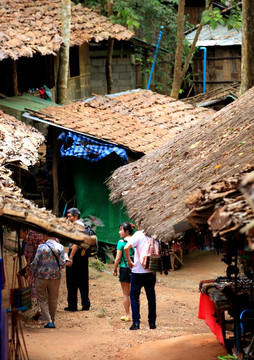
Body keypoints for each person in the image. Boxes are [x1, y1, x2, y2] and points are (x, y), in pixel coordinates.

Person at [124, 222, 157, 330]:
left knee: (134, 296)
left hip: (137, 271)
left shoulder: (138, 235)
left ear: (139, 222)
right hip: (151, 271)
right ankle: (152, 323)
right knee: (151, 297)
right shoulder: (154, 235)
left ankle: (136, 323)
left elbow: (126, 247)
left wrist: (129, 261)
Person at [65, 207, 97, 312]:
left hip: (75, 254)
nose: (68, 218)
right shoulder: (82, 225)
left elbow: (75, 243)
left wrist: (70, 257)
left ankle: (72, 305)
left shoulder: (77, 226)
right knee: (83, 279)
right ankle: (85, 304)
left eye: (70, 216)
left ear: (76, 216)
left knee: (71, 280)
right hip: (83, 254)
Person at [30, 234, 65, 328]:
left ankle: (48, 320)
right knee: (53, 299)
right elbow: (62, 263)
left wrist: (31, 268)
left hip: (41, 276)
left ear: (46, 236)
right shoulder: (60, 247)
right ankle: (52, 321)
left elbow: (35, 261)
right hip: (55, 277)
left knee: (42, 299)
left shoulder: (41, 247)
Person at [113, 222, 135, 322]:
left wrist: (114, 269)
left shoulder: (121, 242)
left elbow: (118, 258)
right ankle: (136, 315)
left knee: (126, 294)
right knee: (135, 293)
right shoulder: (136, 240)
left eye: (121, 230)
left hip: (124, 268)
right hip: (135, 269)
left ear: (126, 231)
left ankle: (127, 315)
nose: (119, 232)